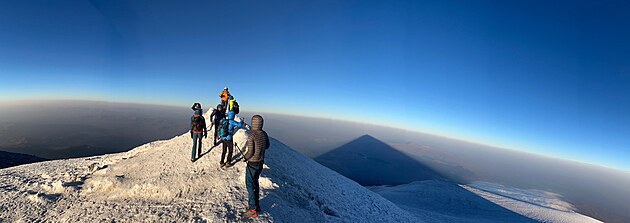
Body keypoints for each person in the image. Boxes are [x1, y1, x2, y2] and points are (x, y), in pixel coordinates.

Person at [242, 115, 269, 218]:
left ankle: (252, 208)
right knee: (255, 183)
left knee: (249, 185)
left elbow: (250, 152)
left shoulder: (251, 135)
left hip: (252, 164)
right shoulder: (264, 134)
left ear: (253, 123)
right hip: (260, 162)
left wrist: (244, 158)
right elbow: (267, 146)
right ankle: (256, 205)